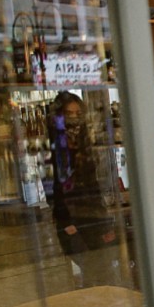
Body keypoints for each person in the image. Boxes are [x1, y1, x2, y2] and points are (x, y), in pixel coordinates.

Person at [48, 91, 126, 288]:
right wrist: (66, 221)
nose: (74, 118)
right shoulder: (55, 145)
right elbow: (54, 185)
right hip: (71, 217)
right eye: (69, 113)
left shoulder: (84, 143)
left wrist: (105, 221)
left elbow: (93, 184)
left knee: (103, 268)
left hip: (92, 216)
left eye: (77, 113)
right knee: (91, 267)